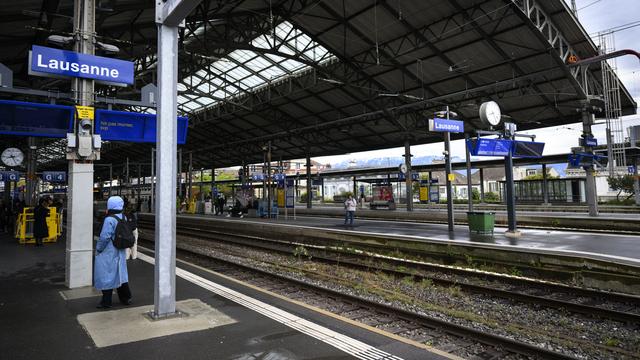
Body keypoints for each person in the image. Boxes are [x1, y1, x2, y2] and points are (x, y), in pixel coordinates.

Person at [94, 196, 132, 309]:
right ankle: (126, 298)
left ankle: (106, 301)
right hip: (120, 250)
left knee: (106, 275)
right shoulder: (123, 217)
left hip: (109, 251)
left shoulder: (109, 219)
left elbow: (105, 237)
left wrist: (99, 249)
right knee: (120, 274)